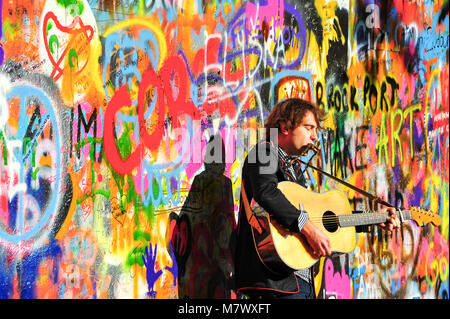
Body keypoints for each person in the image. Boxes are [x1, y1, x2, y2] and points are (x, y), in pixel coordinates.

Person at [235, 98, 400, 299]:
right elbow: (266, 193)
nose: (315, 136)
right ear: (285, 127)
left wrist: (374, 218)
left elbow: (320, 220)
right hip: (275, 282)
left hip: (299, 281)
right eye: (308, 127)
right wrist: (308, 228)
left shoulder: (293, 168)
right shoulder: (263, 152)